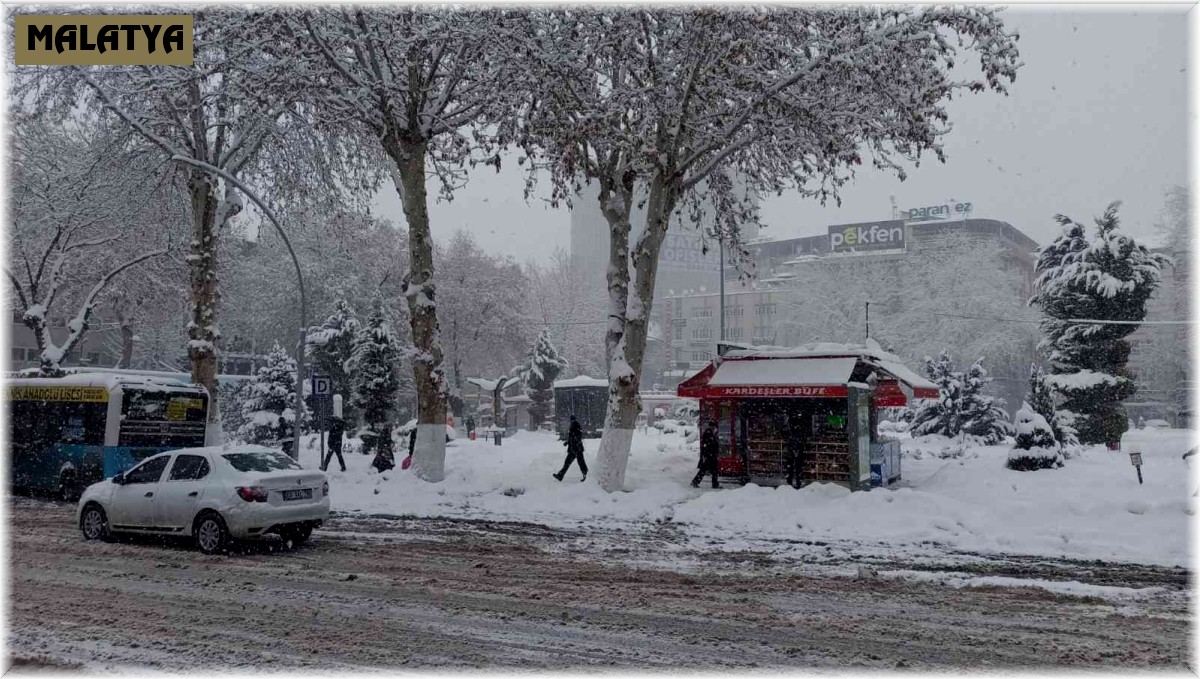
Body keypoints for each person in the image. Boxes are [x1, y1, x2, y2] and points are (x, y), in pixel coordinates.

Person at [554, 415, 587, 482]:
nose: (571, 421)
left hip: (577, 449)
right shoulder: (573, 425)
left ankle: (586, 476)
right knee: (569, 463)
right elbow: (572, 437)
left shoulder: (576, 425)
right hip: (573, 449)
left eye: (572, 420)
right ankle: (560, 475)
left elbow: (578, 436)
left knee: (580, 463)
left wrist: (574, 440)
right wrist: (567, 442)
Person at [321, 395, 347, 472]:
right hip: (336, 443)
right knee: (337, 456)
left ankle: (324, 467)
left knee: (329, 456)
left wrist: (332, 442)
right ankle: (343, 467)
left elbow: (334, 435)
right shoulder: (338, 426)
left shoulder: (337, 428)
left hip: (334, 443)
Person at [692, 420, 720, 489]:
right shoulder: (708, 433)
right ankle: (695, 482)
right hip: (709, 455)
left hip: (711, 455)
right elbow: (710, 444)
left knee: (712, 470)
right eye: (714, 427)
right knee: (705, 470)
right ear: (711, 426)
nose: (714, 428)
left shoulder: (711, 433)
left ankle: (714, 483)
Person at [784, 413, 805, 488]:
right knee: (798, 466)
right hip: (798, 447)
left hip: (792, 447)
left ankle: (790, 481)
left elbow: (785, 432)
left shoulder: (790, 429)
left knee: (791, 466)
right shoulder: (800, 429)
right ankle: (798, 481)